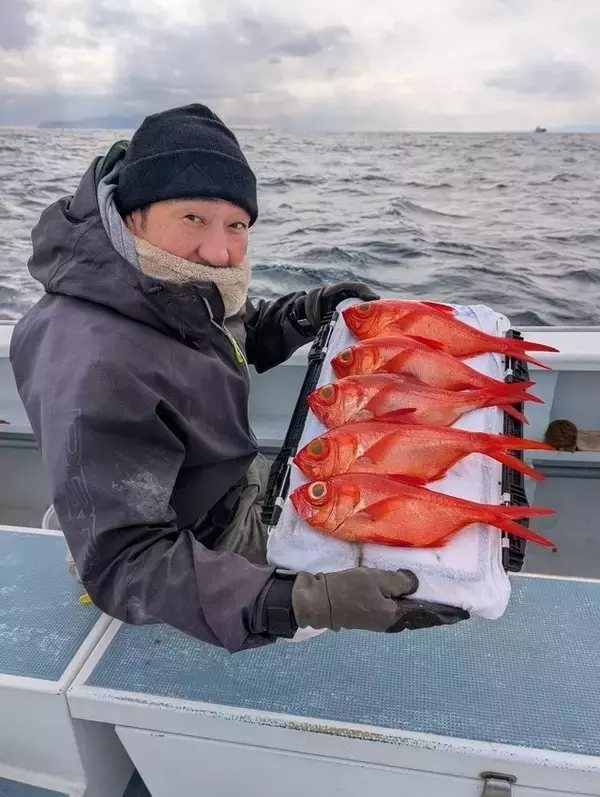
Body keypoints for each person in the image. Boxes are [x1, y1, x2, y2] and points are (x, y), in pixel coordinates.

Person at [9, 103, 468, 652]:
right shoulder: (95, 360)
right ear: (134, 215)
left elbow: (224, 333)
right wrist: (297, 603)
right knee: (424, 583)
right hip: (189, 546)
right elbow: (125, 563)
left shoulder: (159, 282)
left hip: (224, 485)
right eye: (193, 218)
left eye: (237, 226)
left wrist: (300, 312)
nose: (219, 251)